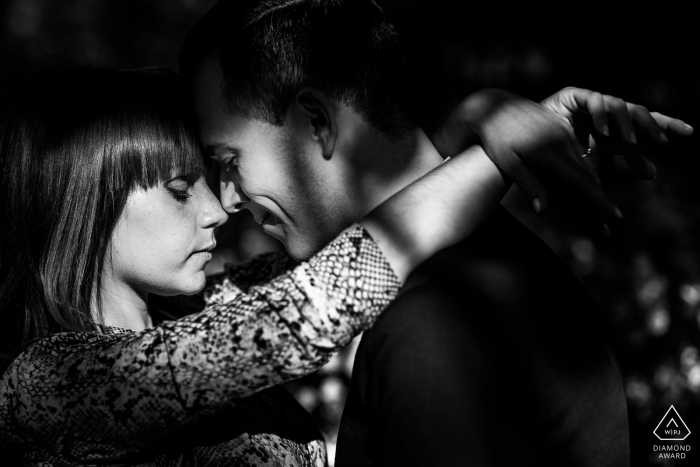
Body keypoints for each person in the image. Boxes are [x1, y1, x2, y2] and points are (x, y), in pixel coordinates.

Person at [0, 67, 648, 464]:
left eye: (217, 176)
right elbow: (310, 307)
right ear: (83, 203)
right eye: (178, 187)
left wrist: (477, 119)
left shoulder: (213, 305)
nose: (220, 208)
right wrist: (493, 156)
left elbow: (360, 234)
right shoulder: (44, 387)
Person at [179, 1, 693, 466]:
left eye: (229, 161)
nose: (227, 200)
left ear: (315, 121)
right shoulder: (482, 268)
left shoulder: (436, 327)